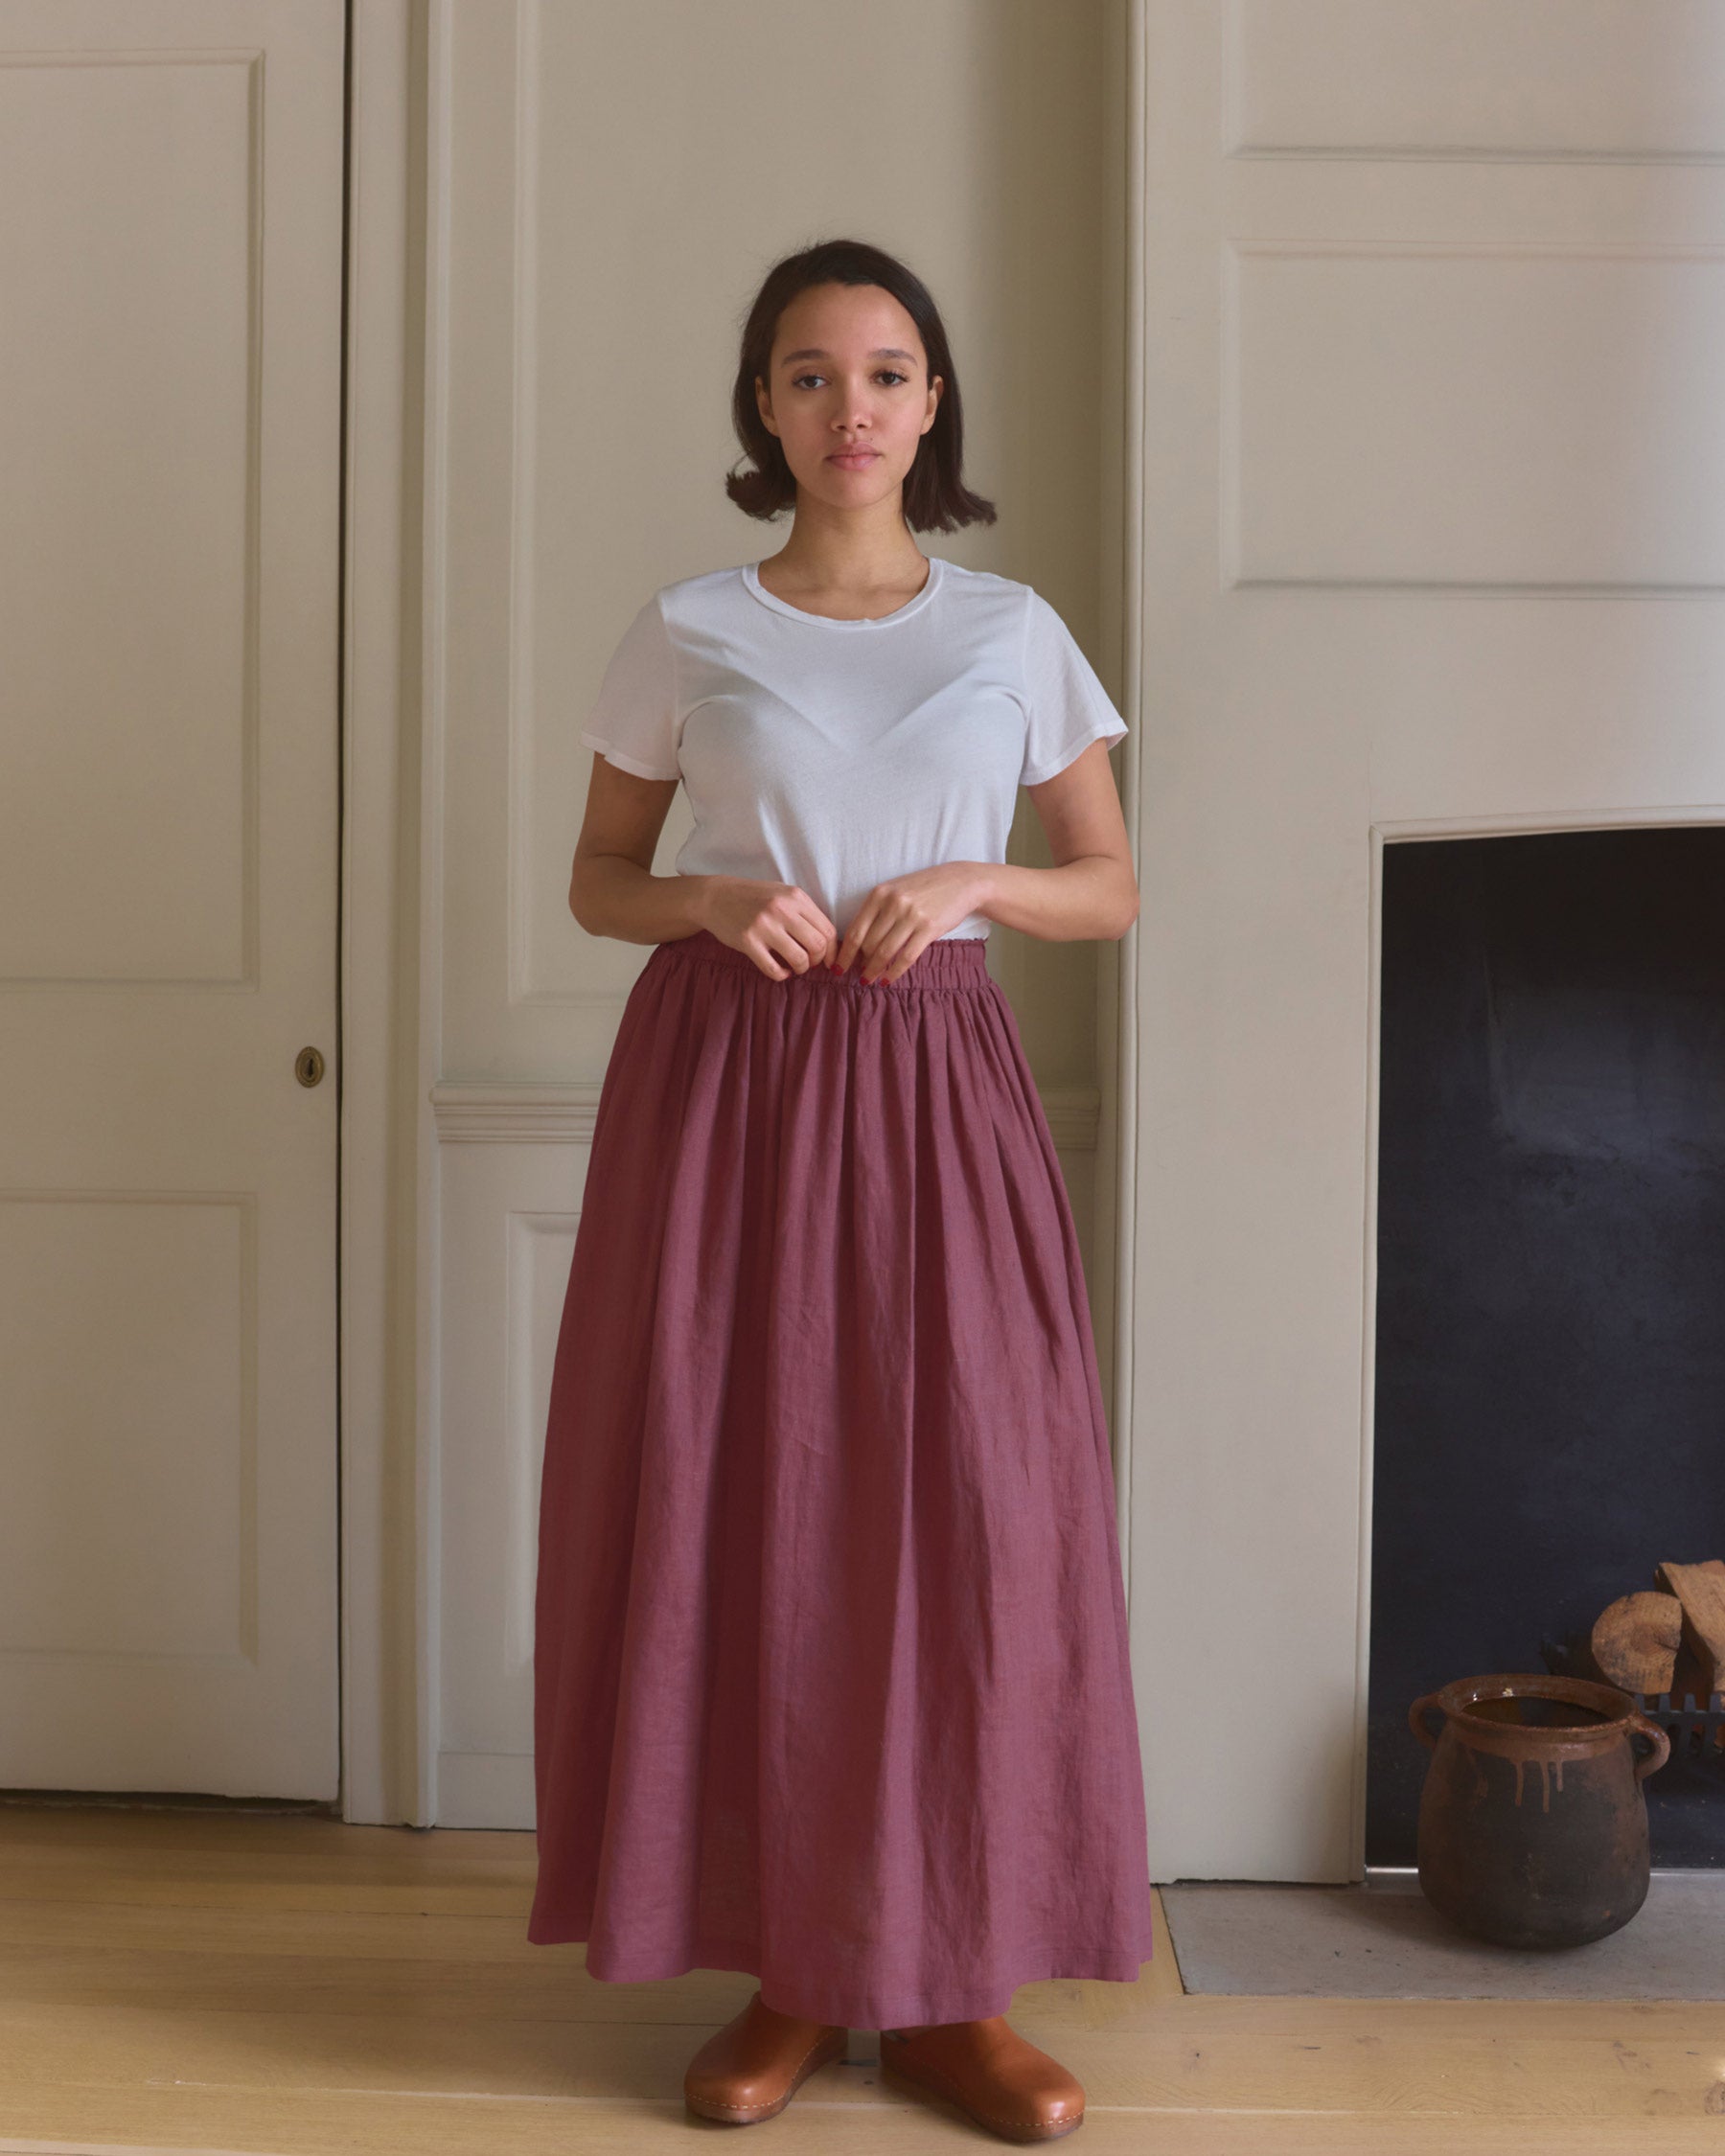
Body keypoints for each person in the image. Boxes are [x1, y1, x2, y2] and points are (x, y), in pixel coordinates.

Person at [527, 236, 1154, 2145]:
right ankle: (794, 1972)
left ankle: (955, 1986)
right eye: (810, 376)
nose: (850, 408)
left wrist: (971, 886)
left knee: (972, 1514)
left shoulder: (1013, 631)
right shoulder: (691, 625)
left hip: (941, 1087)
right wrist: (712, 898)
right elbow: (599, 882)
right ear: (764, 408)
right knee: (754, 1506)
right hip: (729, 1093)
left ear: (933, 401)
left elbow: (1109, 885)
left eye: (885, 373)